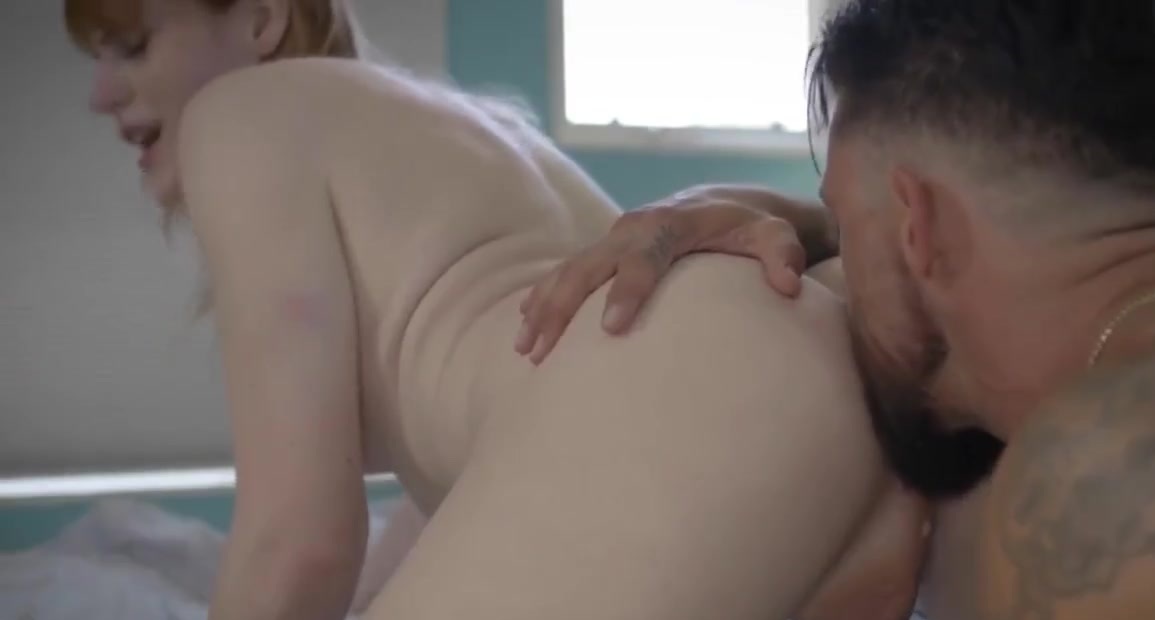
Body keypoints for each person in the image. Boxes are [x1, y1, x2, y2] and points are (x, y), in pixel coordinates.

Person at [64, 1, 934, 619]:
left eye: (132, 46)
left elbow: (297, 544)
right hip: (819, 357)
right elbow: (489, 484)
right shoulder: (471, 124)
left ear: (260, 17)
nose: (99, 93)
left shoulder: (238, 114)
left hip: (675, 397)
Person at [518, 2, 1155, 619]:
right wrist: (752, 212)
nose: (840, 255)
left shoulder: (1115, 473)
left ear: (918, 227)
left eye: (848, 223)